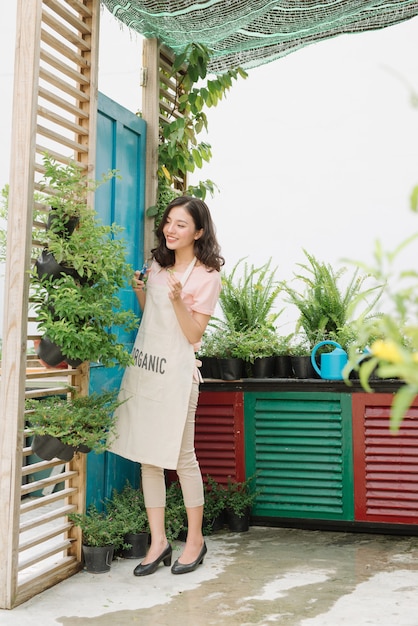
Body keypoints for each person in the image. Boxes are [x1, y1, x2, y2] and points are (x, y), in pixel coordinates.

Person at [110, 195, 224, 576]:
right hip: (148, 370)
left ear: (199, 232)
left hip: (179, 376)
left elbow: (192, 333)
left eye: (181, 225)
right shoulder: (158, 265)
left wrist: (178, 300)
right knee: (148, 457)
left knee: (181, 458)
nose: (171, 230)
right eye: (169, 222)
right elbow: (151, 321)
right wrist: (142, 290)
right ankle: (158, 542)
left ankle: (195, 540)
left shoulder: (207, 276)